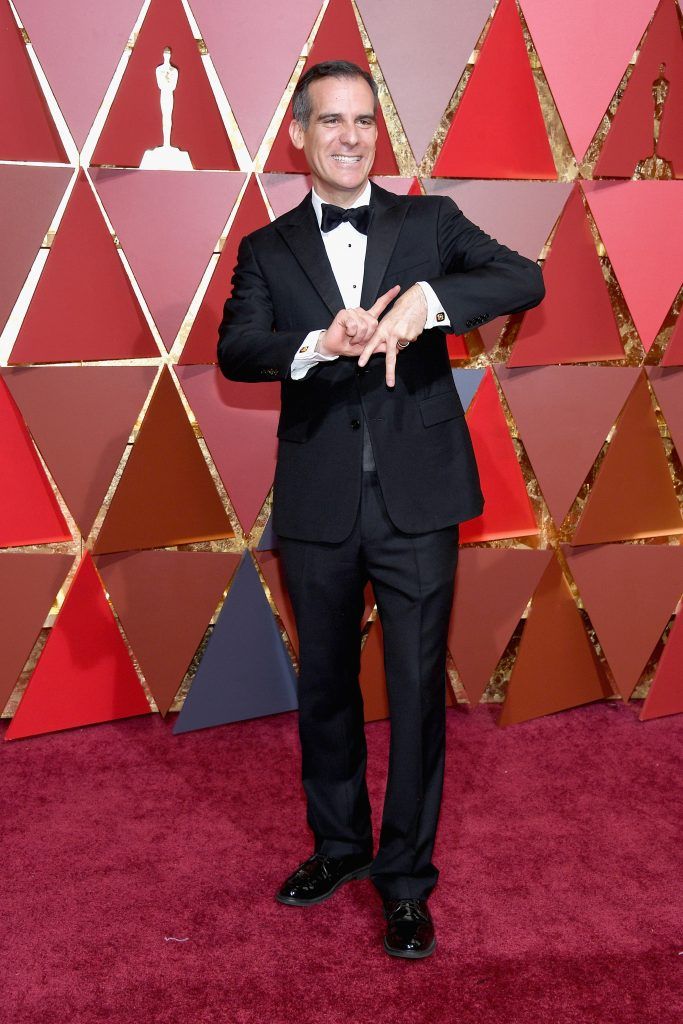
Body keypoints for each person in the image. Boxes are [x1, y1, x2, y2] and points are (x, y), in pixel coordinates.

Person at [217, 59, 545, 959]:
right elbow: (236, 349)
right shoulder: (265, 249)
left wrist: (427, 307)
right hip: (319, 501)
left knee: (412, 695)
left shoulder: (428, 220)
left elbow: (523, 278)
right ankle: (338, 849)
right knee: (324, 690)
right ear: (298, 134)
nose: (350, 137)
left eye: (363, 120)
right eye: (331, 121)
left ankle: (406, 882)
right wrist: (319, 341)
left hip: (419, 498)